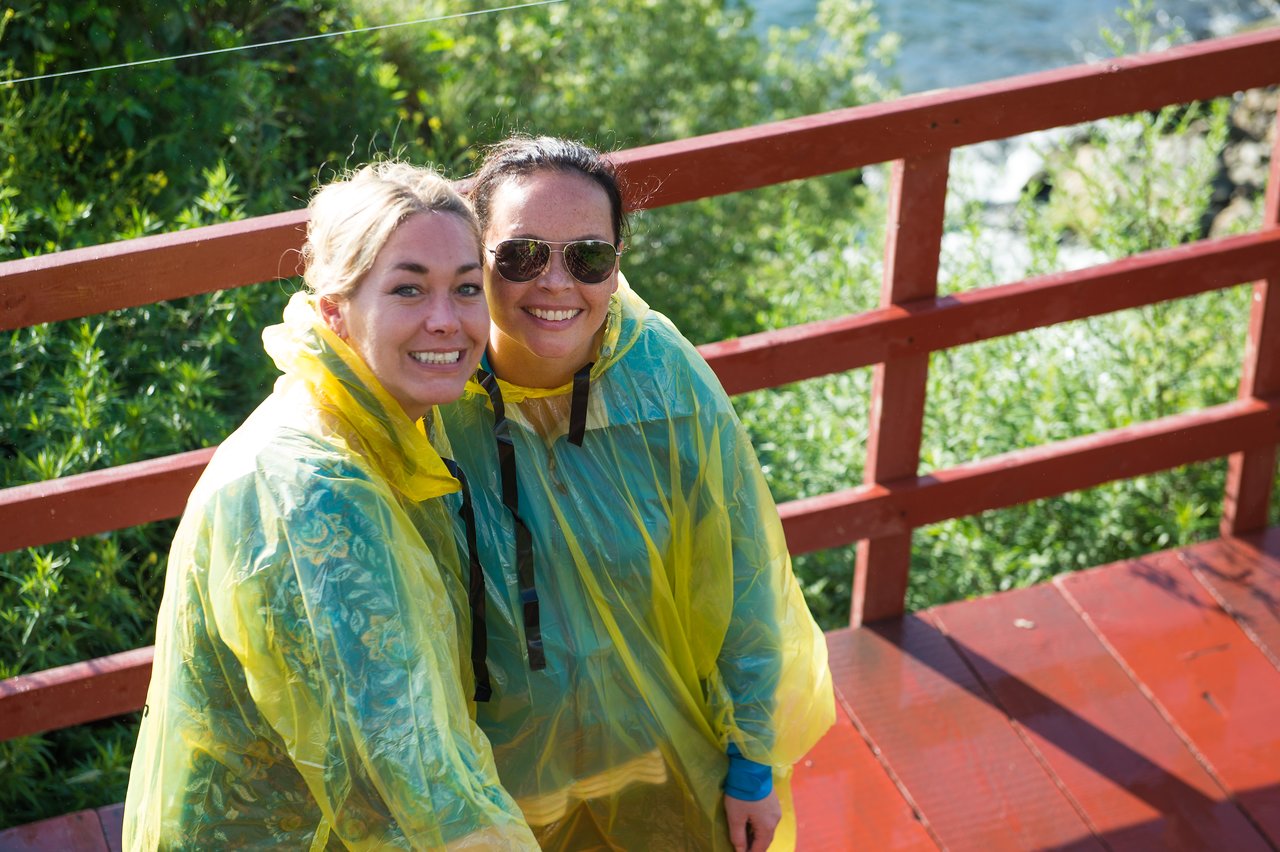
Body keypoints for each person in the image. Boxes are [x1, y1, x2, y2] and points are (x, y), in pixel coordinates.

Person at [123, 162, 538, 850]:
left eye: (466, 288)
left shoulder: (388, 420)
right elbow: (405, 777)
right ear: (334, 313)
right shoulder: (307, 488)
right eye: (408, 289)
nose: (446, 320)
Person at [439, 136, 835, 851]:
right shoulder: (431, 390)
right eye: (522, 255)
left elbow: (743, 582)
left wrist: (751, 765)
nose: (556, 284)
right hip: (492, 786)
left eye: (588, 257)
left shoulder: (664, 386)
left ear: (618, 260)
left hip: (659, 756)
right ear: (477, 254)